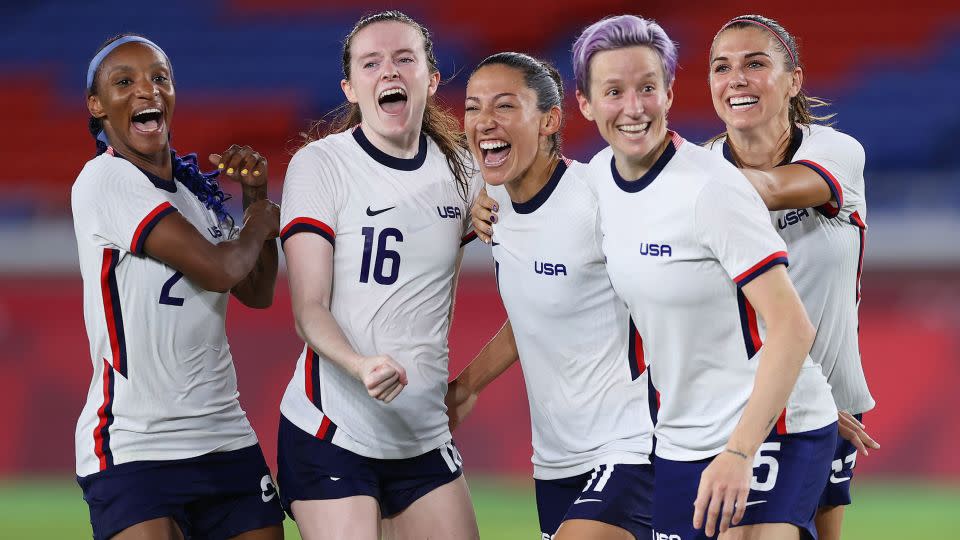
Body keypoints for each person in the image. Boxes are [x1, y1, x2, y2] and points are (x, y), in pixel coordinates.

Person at [571, 15, 841, 540]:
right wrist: (487, 207)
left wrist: (740, 451)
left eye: (648, 88)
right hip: (678, 439)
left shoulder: (711, 190)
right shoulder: (596, 179)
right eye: (614, 91)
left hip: (773, 427)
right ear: (585, 104)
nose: (633, 107)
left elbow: (792, 327)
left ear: (670, 94)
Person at [275, 11, 481, 540]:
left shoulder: (464, 171)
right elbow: (309, 308)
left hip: (423, 436)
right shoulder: (321, 166)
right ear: (350, 86)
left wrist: (473, 382)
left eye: (404, 59)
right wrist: (359, 363)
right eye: (371, 63)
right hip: (333, 431)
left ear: (431, 79)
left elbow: (541, 247)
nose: (388, 71)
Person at [73, 34, 284, 540]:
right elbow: (219, 268)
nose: (147, 90)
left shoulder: (195, 192)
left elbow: (255, 291)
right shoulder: (105, 180)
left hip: (223, 435)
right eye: (125, 82)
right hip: (136, 445)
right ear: (97, 106)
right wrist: (259, 219)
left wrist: (253, 196)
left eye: (159, 78)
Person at [450, 52, 655, 540]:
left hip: (631, 445)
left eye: (504, 106)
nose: (483, 122)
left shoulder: (596, 199)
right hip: (554, 461)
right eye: (474, 107)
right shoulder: (492, 201)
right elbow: (535, 313)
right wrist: (466, 386)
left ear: (549, 120)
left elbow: (684, 292)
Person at [706, 15, 879, 540]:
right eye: (721, 67)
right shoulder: (697, 172)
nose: (736, 78)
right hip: (735, 408)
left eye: (755, 63)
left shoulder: (835, 152)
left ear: (794, 81)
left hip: (831, 407)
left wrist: (666, 185)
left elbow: (774, 188)